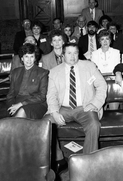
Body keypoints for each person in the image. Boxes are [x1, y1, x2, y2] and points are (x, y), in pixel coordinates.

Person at [44, 42, 107, 174]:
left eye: (75, 53)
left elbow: (102, 86)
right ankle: (59, 159)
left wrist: (95, 103)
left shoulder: (89, 66)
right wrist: (54, 112)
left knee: (94, 125)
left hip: (84, 107)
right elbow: (51, 95)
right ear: (63, 55)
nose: (72, 56)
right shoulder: (54, 72)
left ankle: (88, 162)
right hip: (63, 108)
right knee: (45, 124)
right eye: (69, 53)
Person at [6, 43, 49, 119]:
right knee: (19, 113)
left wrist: (21, 104)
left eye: (32, 56)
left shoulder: (42, 73)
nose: (29, 60)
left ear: (35, 58)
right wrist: (11, 107)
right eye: (26, 56)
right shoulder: (15, 72)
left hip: (37, 104)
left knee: (22, 111)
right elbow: (10, 95)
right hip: (17, 103)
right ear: (22, 58)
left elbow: (42, 97)